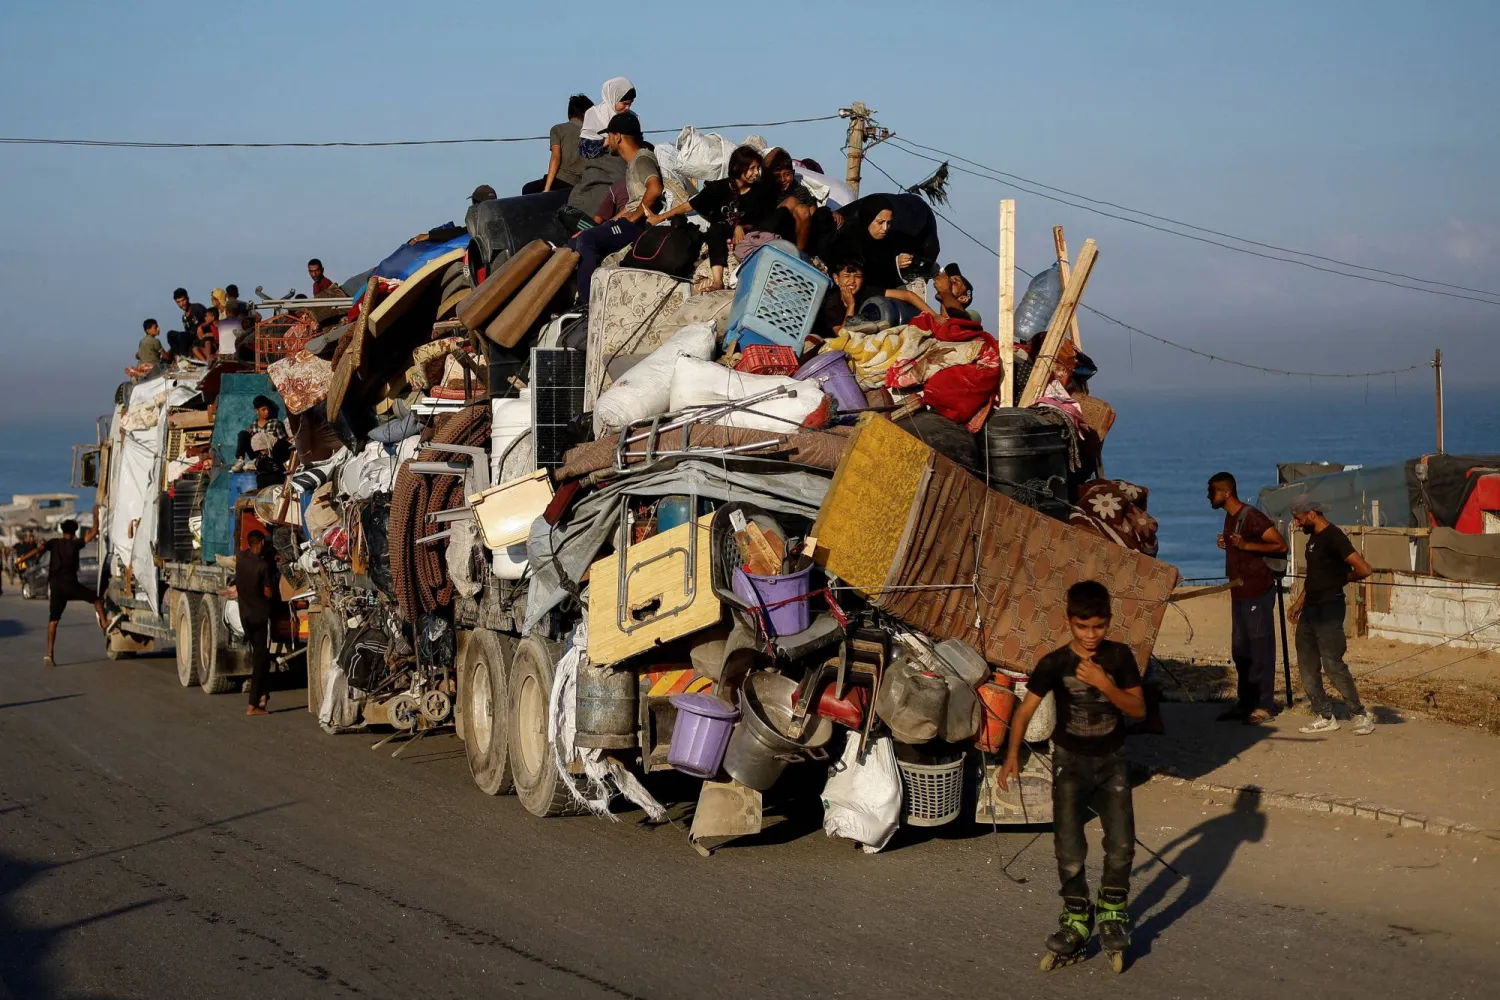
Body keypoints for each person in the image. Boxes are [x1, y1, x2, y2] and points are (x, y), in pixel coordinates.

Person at [1000, 580, 1145, 969]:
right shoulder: (1054, 663)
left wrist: (1103, 684)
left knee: (1121, 845)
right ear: (1069, 623)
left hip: (1112, 761)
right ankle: (1077, 917)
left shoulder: (1119, 658)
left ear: (1108, 622)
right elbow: (1025, 711)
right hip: (1069, 763)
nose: (1091, 635)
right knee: (1068, 850)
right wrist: (1012, 754)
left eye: (1098, 626)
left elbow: (1138, 710)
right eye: (1083, 627)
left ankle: (1113, 910)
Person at [1207, 472, 1289, 724]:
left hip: (1257, 590)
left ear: (1226, 492)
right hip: (1239, 591)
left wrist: (1246, 546)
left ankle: (1264, 706)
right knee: (1241, 650)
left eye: (1211, 491)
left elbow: (1280, 545)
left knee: (1260, 648)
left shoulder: (1251, 516)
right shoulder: (1230, 518)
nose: (1208, 496)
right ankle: (1245, 703)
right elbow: (1240, 544)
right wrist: (1230, 544)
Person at [1288, 497, 1375, 735]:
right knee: (1307, 665)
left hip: (1330, 609)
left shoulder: (1334, 536)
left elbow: (1364, 569)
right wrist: (1298, 604)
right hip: (1310, 610)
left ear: (1312, 514)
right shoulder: (1313, 541)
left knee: (1333, 664)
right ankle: (1325, 715)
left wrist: (1340, 578)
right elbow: (1314, 578)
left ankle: (1359, 714)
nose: (1296, 524)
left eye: (1298, 518)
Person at [647, 145, 773, 292]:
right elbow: (690, 205)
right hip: (721, 234)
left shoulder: (760, 193)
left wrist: (742, 227)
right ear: (738, 168)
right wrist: (660, 217)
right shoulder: (719, 188)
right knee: (715, 230)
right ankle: (717, 281)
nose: (756, 173)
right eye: (751, 168)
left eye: (758, 168)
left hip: (749, 236)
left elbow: (763, 221)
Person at [571, 111, 661, 310]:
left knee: (588, 241)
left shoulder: (642, 159)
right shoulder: (632, 165)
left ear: (618, 136)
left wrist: (636, 215)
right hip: (629, 223)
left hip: (639, 227)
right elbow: (631, 205)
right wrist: (611, 223)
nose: (607, 141)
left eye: (609, 136)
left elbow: (655, 188)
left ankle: (586, 305)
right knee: (579, 239)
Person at [823, 195, 934, 318]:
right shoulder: (848, 241)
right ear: (868, 219)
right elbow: (868, 268)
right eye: (880, 222)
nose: (885, 228)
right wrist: (894, 265)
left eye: (889, 223)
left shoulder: (888, 241)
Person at [21, 514, 106, 667]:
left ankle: (49, 654)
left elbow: (37, 550)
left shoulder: (53, 543)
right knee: (96, 599)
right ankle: (105, 622)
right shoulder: (75, 544)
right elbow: (93, 533)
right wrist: (95, 516)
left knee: (53, 620)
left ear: (62, 531)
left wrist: (21, 559)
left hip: (56, 587)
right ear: (74, 532)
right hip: (71, 585)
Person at [567, 78, 636, 220]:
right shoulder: (594, 114)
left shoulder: (632, 118)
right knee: (587, 197)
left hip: (623, 167)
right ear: (613, 97)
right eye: (624, 103)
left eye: (630, 104)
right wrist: (605, 143)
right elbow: (584, 148)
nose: (627, 108)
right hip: (598, 169)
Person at [236, 530, 275, 716]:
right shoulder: (262, 566)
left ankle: (263, 696)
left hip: (245, 617)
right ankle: (252, 705)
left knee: (261, 657)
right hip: (260, 617)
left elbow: (244, 553)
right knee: (260, 661)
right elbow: (268, 593)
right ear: (259, 543)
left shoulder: (241, 559)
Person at [523, 93, 592, 195]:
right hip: (583, 183)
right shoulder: (594, 132)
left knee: (528, 189)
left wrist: (547, 188)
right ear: (585, 114)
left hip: (563, 181)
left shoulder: (558, 129)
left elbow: (556, 157)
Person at [234, 395, 291, 485]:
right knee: (243, 434)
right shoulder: (253, 426)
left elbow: (283, 442)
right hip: (257, 456)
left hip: (272, 456)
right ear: (257, 411)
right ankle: (240, 461)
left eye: (268, 409)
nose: (267, 412)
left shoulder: (275, 423)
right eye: (263, 409)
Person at [171, 288, 207, 357]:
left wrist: (201, 326)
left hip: (201, 338)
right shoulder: (184, 317)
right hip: (192, 339)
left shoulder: (197, 308)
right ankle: (179, 357)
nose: (182, 304)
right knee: (171, 334)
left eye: (183, 300)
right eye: (178, 302)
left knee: (181, 335)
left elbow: (209, 320)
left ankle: (184, 356)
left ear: (188, 298)